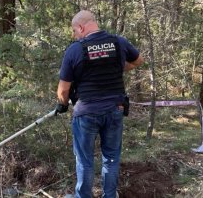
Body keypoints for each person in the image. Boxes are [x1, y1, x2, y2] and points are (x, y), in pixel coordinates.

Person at [55, 10, 144, 198]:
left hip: (86, 111)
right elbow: (138, 61)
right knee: (111, 158)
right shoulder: (119, 42)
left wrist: (62, 104)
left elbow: (63, 90)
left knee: (84, 160)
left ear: (81, 27)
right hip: (115, 109)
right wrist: (116, 66)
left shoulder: (75, 49)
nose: (74, 35)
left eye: (74, 30)